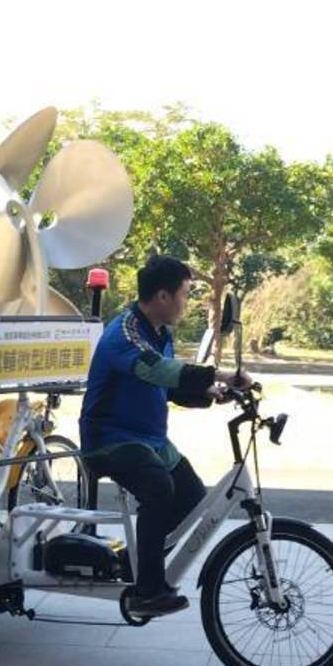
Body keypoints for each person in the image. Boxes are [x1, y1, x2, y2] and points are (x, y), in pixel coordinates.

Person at [79, 252, 252, 617]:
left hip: (150, 441)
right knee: (159, 488)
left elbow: (168, 387)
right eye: (186, 295)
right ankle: (147, 590)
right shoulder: (124, 332)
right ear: (162, 297)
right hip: (110, 441)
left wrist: (210, 394)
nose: (186, 304)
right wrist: (220, 375)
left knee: (191, 496)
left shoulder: (160, 333)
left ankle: (135, 564)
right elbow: (156, 370)